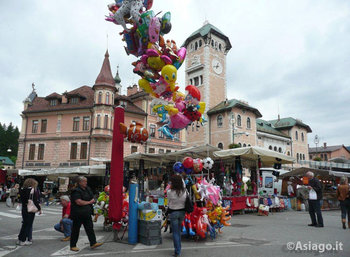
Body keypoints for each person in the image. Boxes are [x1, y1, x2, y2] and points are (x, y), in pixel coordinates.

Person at [70, 176, 103, 252]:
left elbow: (92, 197)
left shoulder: (87, 189)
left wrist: (94, 200)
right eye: (84, 181)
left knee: (90, 228)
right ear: (80, 182)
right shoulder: (76, 191)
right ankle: (73, 245)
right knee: (76, 229)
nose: (86, 183)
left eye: (86, 181)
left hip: (87, 212)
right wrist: (89, 202)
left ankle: (93, 243)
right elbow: (78, 202)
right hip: (78, 213)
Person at [17, 178, 41, 246]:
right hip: (30, 208)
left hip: (24, 208)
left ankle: (20, 239)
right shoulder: (32, 190)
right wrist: (39, 208)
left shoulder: (22, 189)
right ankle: (23, 240)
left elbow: (21, 199)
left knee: (24, 224)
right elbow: (35, 200)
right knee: (28, 225)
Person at [167, 174, 187, 257]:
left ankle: (177, 251)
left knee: (175, 232)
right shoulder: (184, 191)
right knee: (178, 231)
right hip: (182, 212)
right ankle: (179, 248)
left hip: (173, 212)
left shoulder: (169, 192)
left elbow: (168, 203)